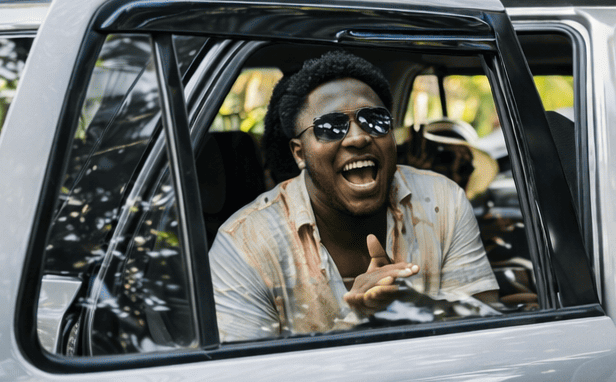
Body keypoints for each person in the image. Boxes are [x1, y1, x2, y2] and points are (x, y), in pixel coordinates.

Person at [210, 51, 500, 341]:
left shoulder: (442, 201)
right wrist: (361, 321)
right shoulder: (244, 245)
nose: (359, 137)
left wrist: (413, 306)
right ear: (300, 153)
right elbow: (252, 380)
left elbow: (488, 336)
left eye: (374, 120)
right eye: (331, 126)